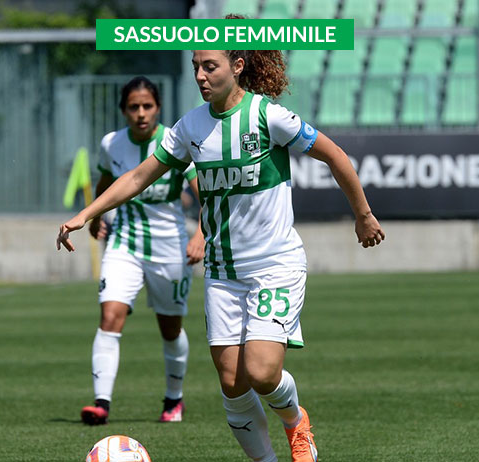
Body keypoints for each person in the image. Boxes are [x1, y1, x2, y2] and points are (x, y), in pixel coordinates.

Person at [58, 47, 385, 461]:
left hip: (273, 265)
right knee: (232, 383)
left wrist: (363, 215)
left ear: (237, 66)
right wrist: (84, 215)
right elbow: (139, 177)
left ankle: (295, 422)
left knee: (261, 372)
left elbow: (334, 155)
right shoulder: (189, 126)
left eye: (209, 66)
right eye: (196, 67)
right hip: (222, 272)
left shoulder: (268, 116)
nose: (200, 75)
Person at [78, 76, 205, 425]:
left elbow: (205, 194)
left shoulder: (175, 140)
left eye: (147, 106)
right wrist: (96, 217)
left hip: (170, 247)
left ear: (158, 108)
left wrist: (200, 234)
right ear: (123, 111)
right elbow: (106, 182)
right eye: (133, 107)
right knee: (110, 316)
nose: (141, 113)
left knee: (170, 329)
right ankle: (101, 404)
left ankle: (173, 399)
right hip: (124, 243)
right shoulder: (111, 144)